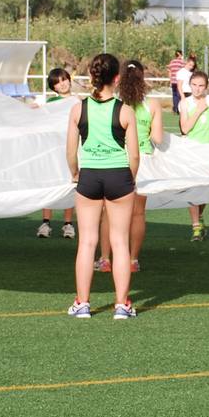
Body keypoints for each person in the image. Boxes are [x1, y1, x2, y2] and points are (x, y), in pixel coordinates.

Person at [65, 53, 140, 320]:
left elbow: (71, 151)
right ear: (117, 78)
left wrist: (75, 173)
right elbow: (134, 155)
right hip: (119, 175)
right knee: (120, 243)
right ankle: (122, 305)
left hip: (90, 176)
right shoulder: (125, 110)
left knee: (87, 242)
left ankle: (82, 303)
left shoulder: (78, 109)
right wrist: (129, 178)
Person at [98, 61, 163, 273]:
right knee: (137, 213)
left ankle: (106, 259)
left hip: (116, 159)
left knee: (109, 212)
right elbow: (158, 138)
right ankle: (133, 260)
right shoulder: (151, 104)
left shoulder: (113, 101)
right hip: (144, 160)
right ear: (142, 78)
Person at [38, 67, 77, 239]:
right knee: (52, 183)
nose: (62, 84)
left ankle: (68, 224)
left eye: (64, 79)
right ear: (53, 87)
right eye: (57, 82)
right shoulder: (51, 104)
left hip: (73, 148)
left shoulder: (79, 101)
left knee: (70, 184)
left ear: (69, 79)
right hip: (54, 150)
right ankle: (45, 222)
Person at [179, 69, 209, 241]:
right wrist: (199, 110)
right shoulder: (185, 103)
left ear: (206, 87)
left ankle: (200, 216)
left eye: (201, 85)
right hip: (191, 152)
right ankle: (195, 226)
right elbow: (185, 128)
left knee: (205, 190)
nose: (197, 89)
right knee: (192, 188)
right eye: (194, 85)